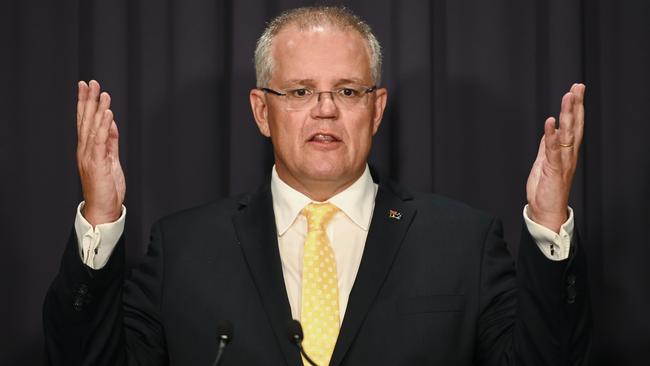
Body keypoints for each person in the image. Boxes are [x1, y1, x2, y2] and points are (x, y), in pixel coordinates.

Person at [44, 6, 590, 366]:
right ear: (261, 111)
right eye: (301, 92)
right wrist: (98, 218)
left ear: (376, 110)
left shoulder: (463, 241)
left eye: (348, 92)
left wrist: (546, 228)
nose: (326, 110)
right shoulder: (184, 248)